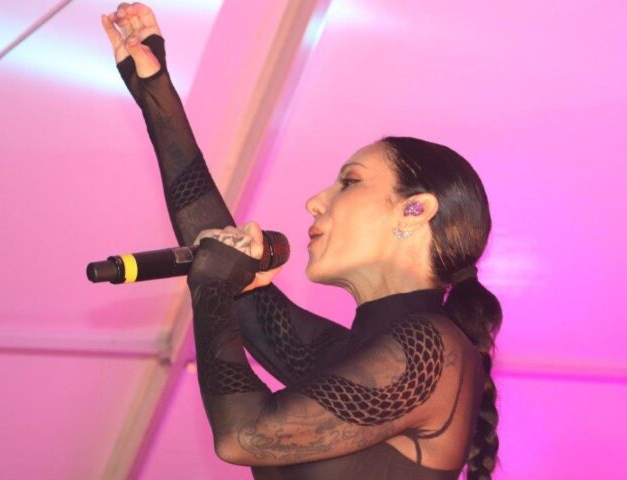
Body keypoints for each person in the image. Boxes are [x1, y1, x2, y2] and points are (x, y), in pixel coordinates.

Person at [101, 4, 502, 479]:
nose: (315, 201)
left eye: (349, 182)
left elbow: (244, 434)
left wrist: (212, 285)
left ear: (414, 210)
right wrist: (155, 92)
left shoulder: (430, 348)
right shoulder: (358, 352)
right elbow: (214, 246)